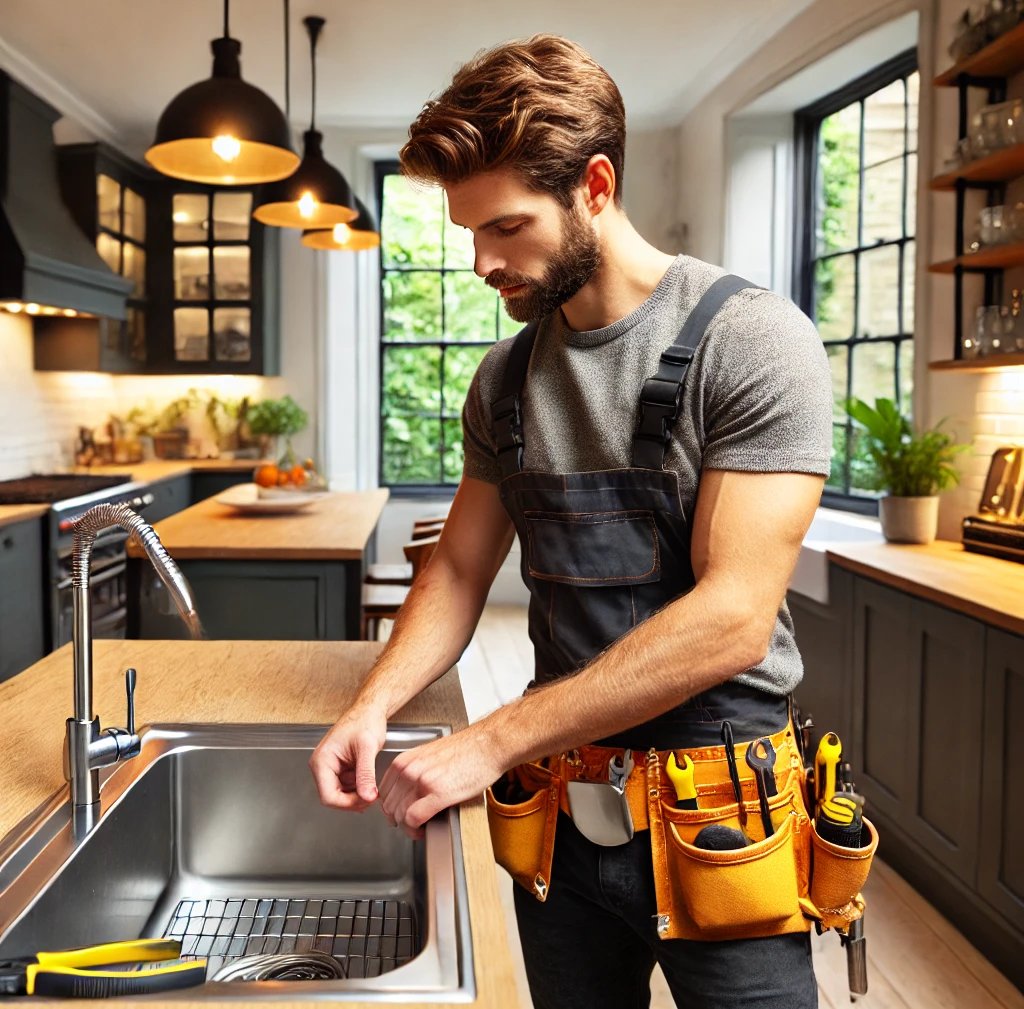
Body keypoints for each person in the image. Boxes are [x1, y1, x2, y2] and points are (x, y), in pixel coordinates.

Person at [310, 34, 832, 1009]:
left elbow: (732, 617)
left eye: (504, 227)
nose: (480, 263)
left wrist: (489, 739)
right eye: (468, 234)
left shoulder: (751, 340)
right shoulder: (504, 382)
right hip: (559, 823)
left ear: (594, 185)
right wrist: (371, 704)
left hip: (721, 820)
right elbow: (460, 569)